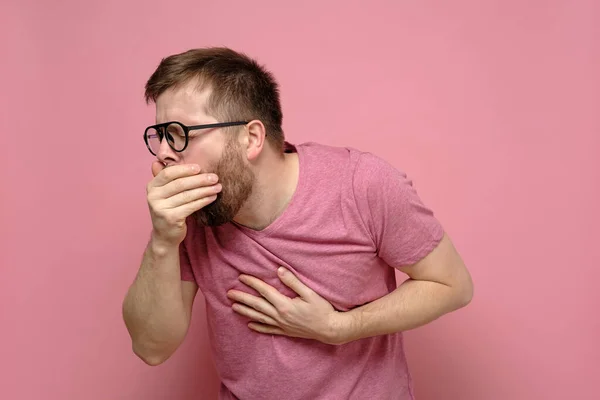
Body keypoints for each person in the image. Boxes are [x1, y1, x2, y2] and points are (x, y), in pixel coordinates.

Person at [122, 47, 474, 400]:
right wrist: (163, 241)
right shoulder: (191, 217)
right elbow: (152, 347)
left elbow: (451, 284)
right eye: (161, 136)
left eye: (180, 133)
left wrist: (340, 326)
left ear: (251, 138)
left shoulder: (362, 184)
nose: (165, 153)